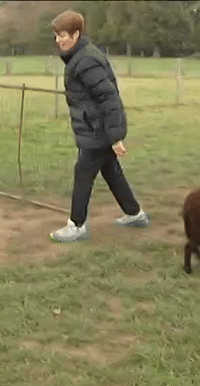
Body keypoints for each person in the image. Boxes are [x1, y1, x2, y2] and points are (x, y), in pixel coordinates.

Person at [49, 10, 150, 243]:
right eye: (56, 35)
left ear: (76, 34)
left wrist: (115, 137)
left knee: (83, 173)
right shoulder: (80, 56)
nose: (59, 40)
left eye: (63, 35)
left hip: (97, 130)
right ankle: (135, 214)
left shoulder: (86, 60)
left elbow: (109, 98)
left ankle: (76, 225)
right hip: (95, 127)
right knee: (111, 172)